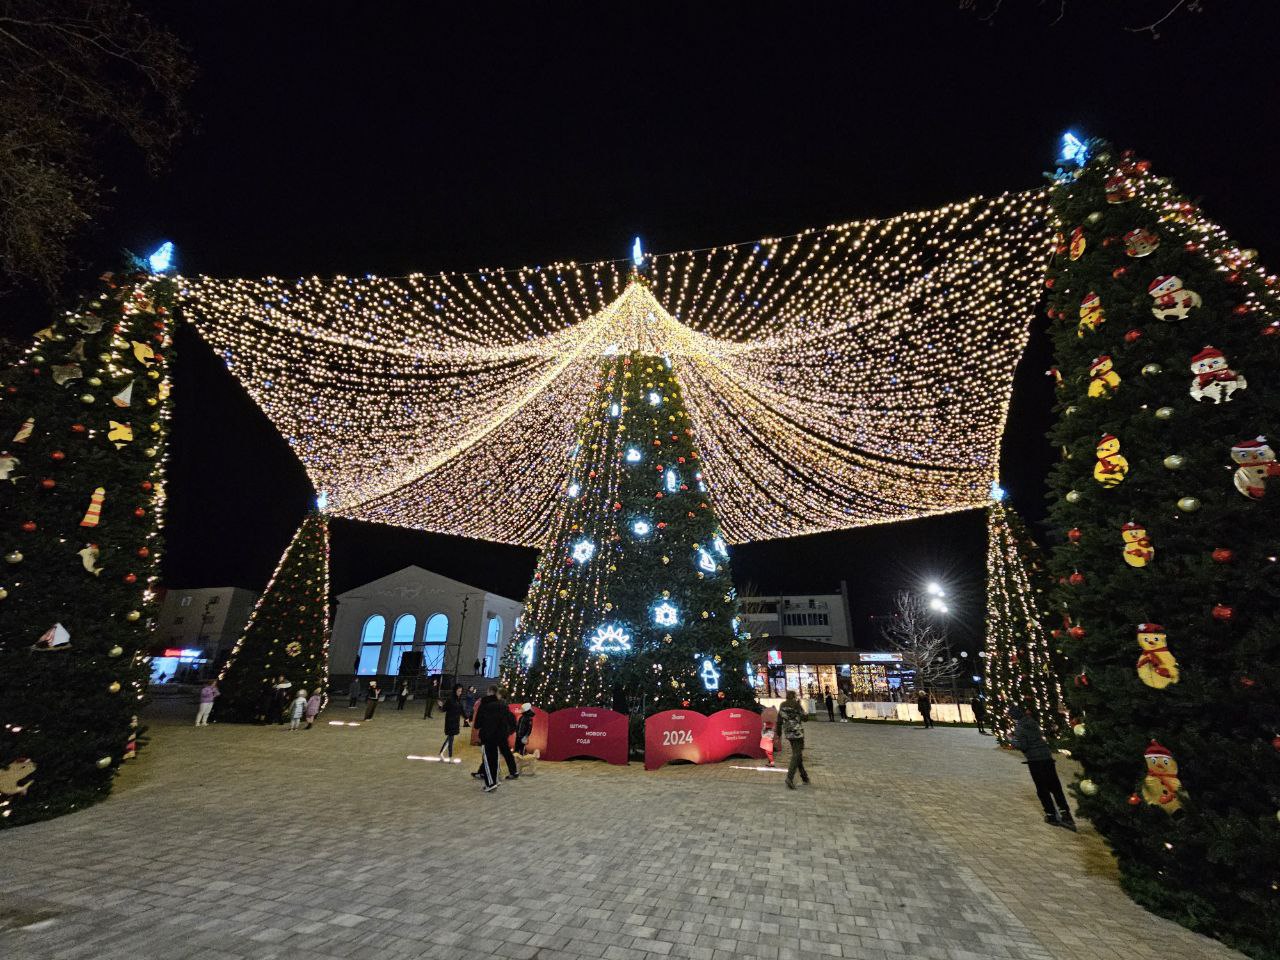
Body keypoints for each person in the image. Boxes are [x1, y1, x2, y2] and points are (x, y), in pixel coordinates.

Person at [1008, 705, 1076, 830]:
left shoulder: (1020, 727)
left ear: (1014, 717)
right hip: (1047, 757)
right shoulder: (1033, 722)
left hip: (1035, 760)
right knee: (1055, 787)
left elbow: (1023, 746)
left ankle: (1051, 815)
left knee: (1042, 788)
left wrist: (1011, 739)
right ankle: (1066, 814)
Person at [475, 685, 514, 792]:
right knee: (495, 759)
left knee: (487, 760)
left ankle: (490, 783)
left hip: (487, 737)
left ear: (489, 692)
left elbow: (477, 724)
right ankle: (495, 781)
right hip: (499, 737)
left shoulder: (484, 704)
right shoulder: (503, 705)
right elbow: (509, 721)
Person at [776, 691, 809, 789]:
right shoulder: (796, 705)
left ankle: (804, 777)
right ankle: (789, 778)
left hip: (788, 732)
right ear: (794, 697)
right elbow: (805, 718)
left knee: (797, 753)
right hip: (797, 732)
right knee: (797, 754)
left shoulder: (782, 705)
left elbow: (779, 720)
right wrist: (803, 709)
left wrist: (779, 734)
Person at [440, 684, 465, 758]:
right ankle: (450, 756)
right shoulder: (450, 699)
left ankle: (441, 752)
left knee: (450, 738)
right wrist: (441, 706)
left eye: (461, 691)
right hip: (450, 722)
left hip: (456, 721)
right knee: (451, 740)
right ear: (455, 691)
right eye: (458, 691)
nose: (460, 692)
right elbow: (443, 709)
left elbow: (461, 710)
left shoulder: (459, 699)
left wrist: (466, 718)